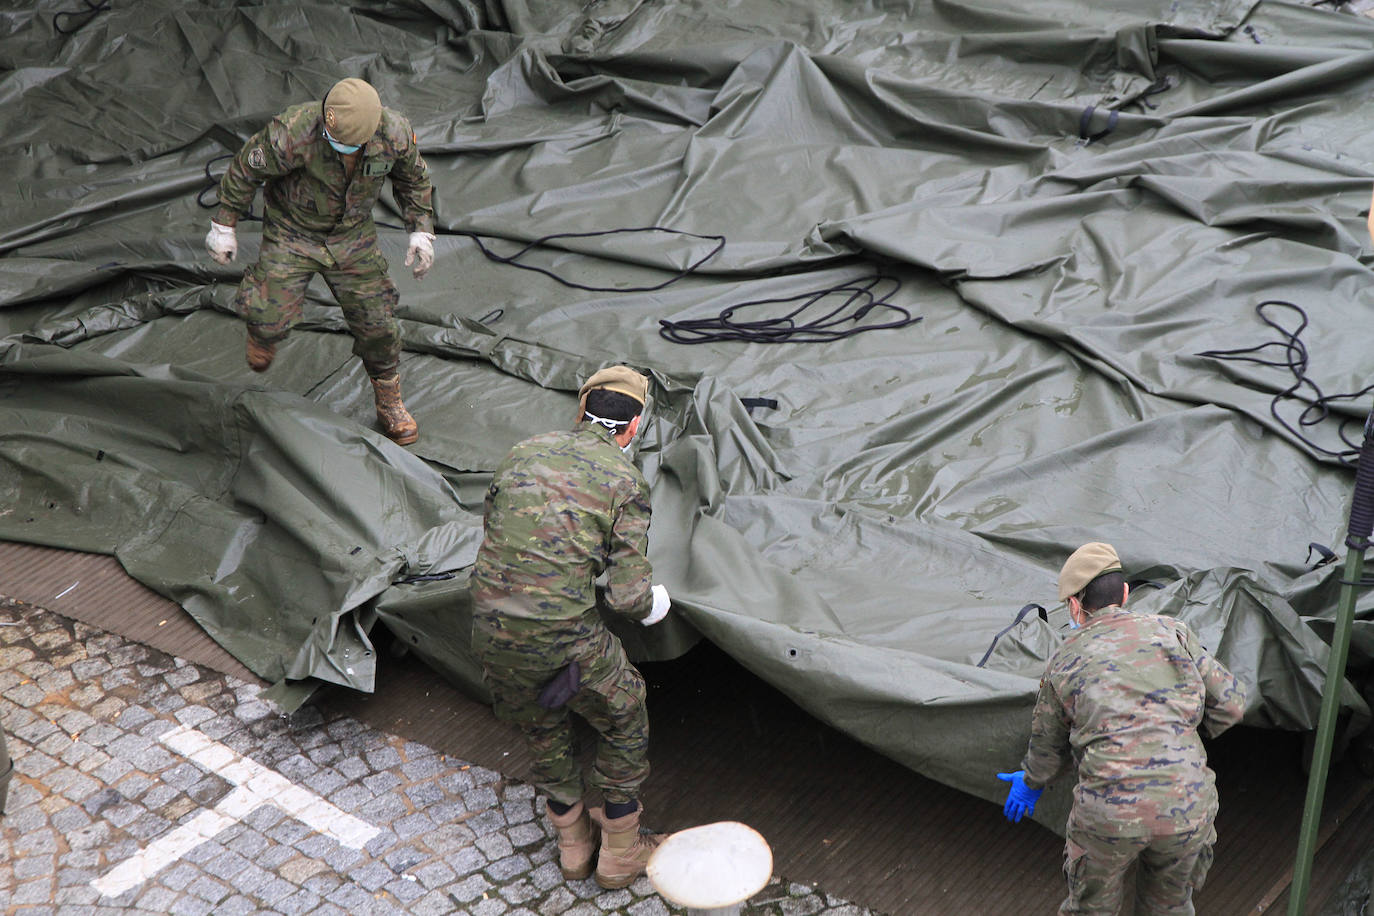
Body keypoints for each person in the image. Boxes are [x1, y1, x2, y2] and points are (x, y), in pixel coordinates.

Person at [468, 366, 673, 889]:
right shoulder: (625, 480)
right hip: (563, 636)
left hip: (490, 627)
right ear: (633, 429)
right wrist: (657, 605)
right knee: (624, 711)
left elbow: (494, 526)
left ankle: (573, 844)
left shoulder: (525, 450)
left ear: (580, 412)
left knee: (542, 721)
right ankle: (621, 850)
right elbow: (629, 597)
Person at [997, 542, 1248, 916]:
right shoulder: (1171, 631)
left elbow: (1048, 749)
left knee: (1091, 909)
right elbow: (1231, 703)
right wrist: (1179, 734)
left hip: (1109, 814)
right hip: (1186, 803)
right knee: (1171, 908)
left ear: (1074, 606)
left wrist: (1031, 782)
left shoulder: (1064, 660)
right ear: (1126, 593)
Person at [204, 77, 435, 445]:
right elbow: (245, 170)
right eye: (338, 142)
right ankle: (263, 330)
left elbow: (414, 179)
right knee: (267, 314)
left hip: (351, 234)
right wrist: (223, 224)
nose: (344, 151)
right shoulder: (292, 131)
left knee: (378, 322)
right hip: (292, 231)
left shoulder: (394, 132)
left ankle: (389, 400)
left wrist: (421, 230)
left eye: (352, 146)